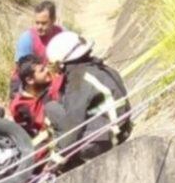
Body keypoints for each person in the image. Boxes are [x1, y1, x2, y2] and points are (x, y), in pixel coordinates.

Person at [43, 30, 132, 166]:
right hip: (123, 129)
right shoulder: (100, 68)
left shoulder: (79, 79)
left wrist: (57, 158)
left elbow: (73, 125)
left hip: (105, 139)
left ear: (61, 63)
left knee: (51, 108)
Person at [10, 0, 63, 97]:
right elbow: (22, 71)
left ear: (54, 20)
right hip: (27, 81)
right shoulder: (27, 39)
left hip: (49, 77)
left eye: (43, 23)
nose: (39, 27)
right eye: (37, 22)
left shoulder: (62, 34)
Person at [9, 55, 63, 140]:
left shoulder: (54, 85)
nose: (47, 70)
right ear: (30, 80)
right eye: (42, 70)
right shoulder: (19, 106)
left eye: (45, 67)